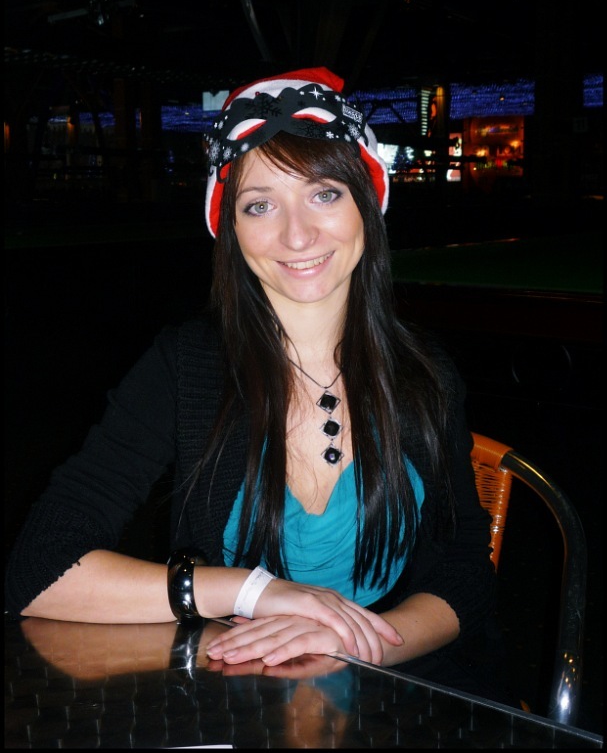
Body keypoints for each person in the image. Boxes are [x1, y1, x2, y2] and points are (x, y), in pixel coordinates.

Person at [4, 67, 515, 705]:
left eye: (324, 194)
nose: (297, 235)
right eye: (260, 204)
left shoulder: (425, 373)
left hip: (404, 695)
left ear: (367, 202)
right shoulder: (185, 366)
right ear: (230, 228)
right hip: (233, 697)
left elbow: (465, 566)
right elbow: (39, 571)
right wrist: (254, 591)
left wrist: (357, 643)